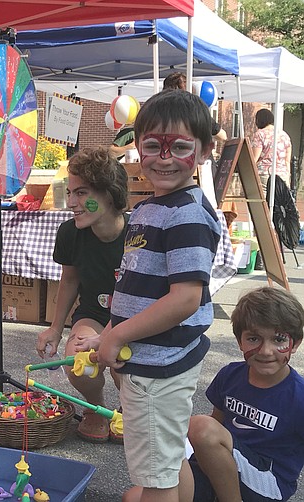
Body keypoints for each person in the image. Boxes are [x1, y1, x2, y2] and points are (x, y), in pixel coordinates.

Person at [98, 89, 222, 502]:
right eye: (153, 146)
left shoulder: (185, 213)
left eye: (180, 147)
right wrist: (113, 329)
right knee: (170, 461)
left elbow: (185, 298)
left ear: (203, 152)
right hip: (151, 361)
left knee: (155, 480)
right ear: (137, 147)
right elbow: (137, 282)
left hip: (159, 367)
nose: (164, 157)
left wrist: (117, 336)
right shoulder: (154, 206)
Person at [176, 287, 304, 502]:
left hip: (267, 482)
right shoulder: (230, 374)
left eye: (279, 340)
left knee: (200, 427)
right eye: (253, 339)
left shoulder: (299, 397)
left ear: (295, 345)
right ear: (239, 341)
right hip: (220, 467)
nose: (265, 351)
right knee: (135, 497)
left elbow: (207, 431)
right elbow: (217, 423)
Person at [36, 146, 128, 443]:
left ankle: (130, 410)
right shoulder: (70, 233)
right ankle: (96, 408)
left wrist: (112, 337)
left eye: (82, 193)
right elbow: (70, 280)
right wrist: (54, 327)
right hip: (95, 315)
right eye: (71, 192)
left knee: (124, 364)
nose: (72, 202)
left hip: (135, 319)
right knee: (78, 360)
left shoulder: (139, 235)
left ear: (109, 194)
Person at [251, 108, 293, 190]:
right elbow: (287, 160)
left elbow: (254, 158)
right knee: (280, 201)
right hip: (282, 174)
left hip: (265, 173)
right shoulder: (284, 135)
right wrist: (288, 175)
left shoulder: (260, 134)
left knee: (264, 201)